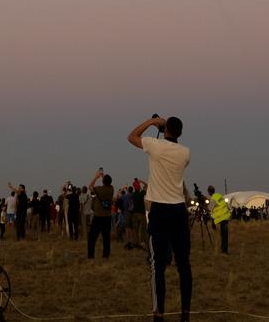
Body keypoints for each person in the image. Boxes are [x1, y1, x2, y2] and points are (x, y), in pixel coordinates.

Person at [129, 115, 192, 322]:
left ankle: (159, 314)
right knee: (184, 264)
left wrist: (151, 122)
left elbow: (132, 137)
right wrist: (164, 127)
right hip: (179, 210)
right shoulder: (185, 153)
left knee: (158, 264)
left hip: (160, 209)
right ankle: (185, 314)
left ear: (166, 129)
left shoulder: (154, 146)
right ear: (180, 132)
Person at [87, 168, 115, 258]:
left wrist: (96, 177)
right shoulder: (111, 189)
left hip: (98, 216)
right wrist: (103, 176)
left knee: (92, 237)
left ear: (103, 182)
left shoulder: (99, 189)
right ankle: (106, 255)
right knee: (106, 237)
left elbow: (90, 186)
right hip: (107, 216)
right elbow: (108, 183)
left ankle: (91, 255)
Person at [207, 186, 230, 255]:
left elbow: (209, 209)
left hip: (221, 218)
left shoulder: (212, 199)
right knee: (225, 235)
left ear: (209, 192)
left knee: (223, 235)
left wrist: (205, 206)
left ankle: (224, 250)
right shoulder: (219, 195)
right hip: (226, 216)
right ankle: (224, 249)